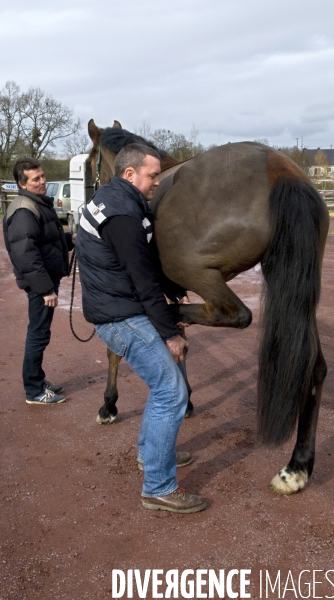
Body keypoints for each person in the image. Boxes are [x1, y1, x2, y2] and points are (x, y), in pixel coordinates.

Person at [75, 143, 207, 513]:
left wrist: (173, 291)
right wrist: (170, 333)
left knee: (165, 386)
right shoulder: (123, 215)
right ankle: (159, 487)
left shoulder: (113, 199)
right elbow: (143, 279)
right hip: (121, 317)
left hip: (117, 308)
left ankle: (151, 457)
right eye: (152, 176)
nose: (156, 183)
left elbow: (139, 269)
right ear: (130, 174)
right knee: (171, 390)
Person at [3, 157, 75, 405]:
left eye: (42, 175)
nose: (43, 181)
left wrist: (70, 240)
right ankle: (33, 390)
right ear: (22, 183)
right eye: (36, 178)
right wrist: (45, 289)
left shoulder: (36, 204)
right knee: (38, 333)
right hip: (39, 284)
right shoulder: (24, 210)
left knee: (40, 331)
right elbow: (26, 254)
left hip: (44, 279)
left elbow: (46, 241)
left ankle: (37, 378)